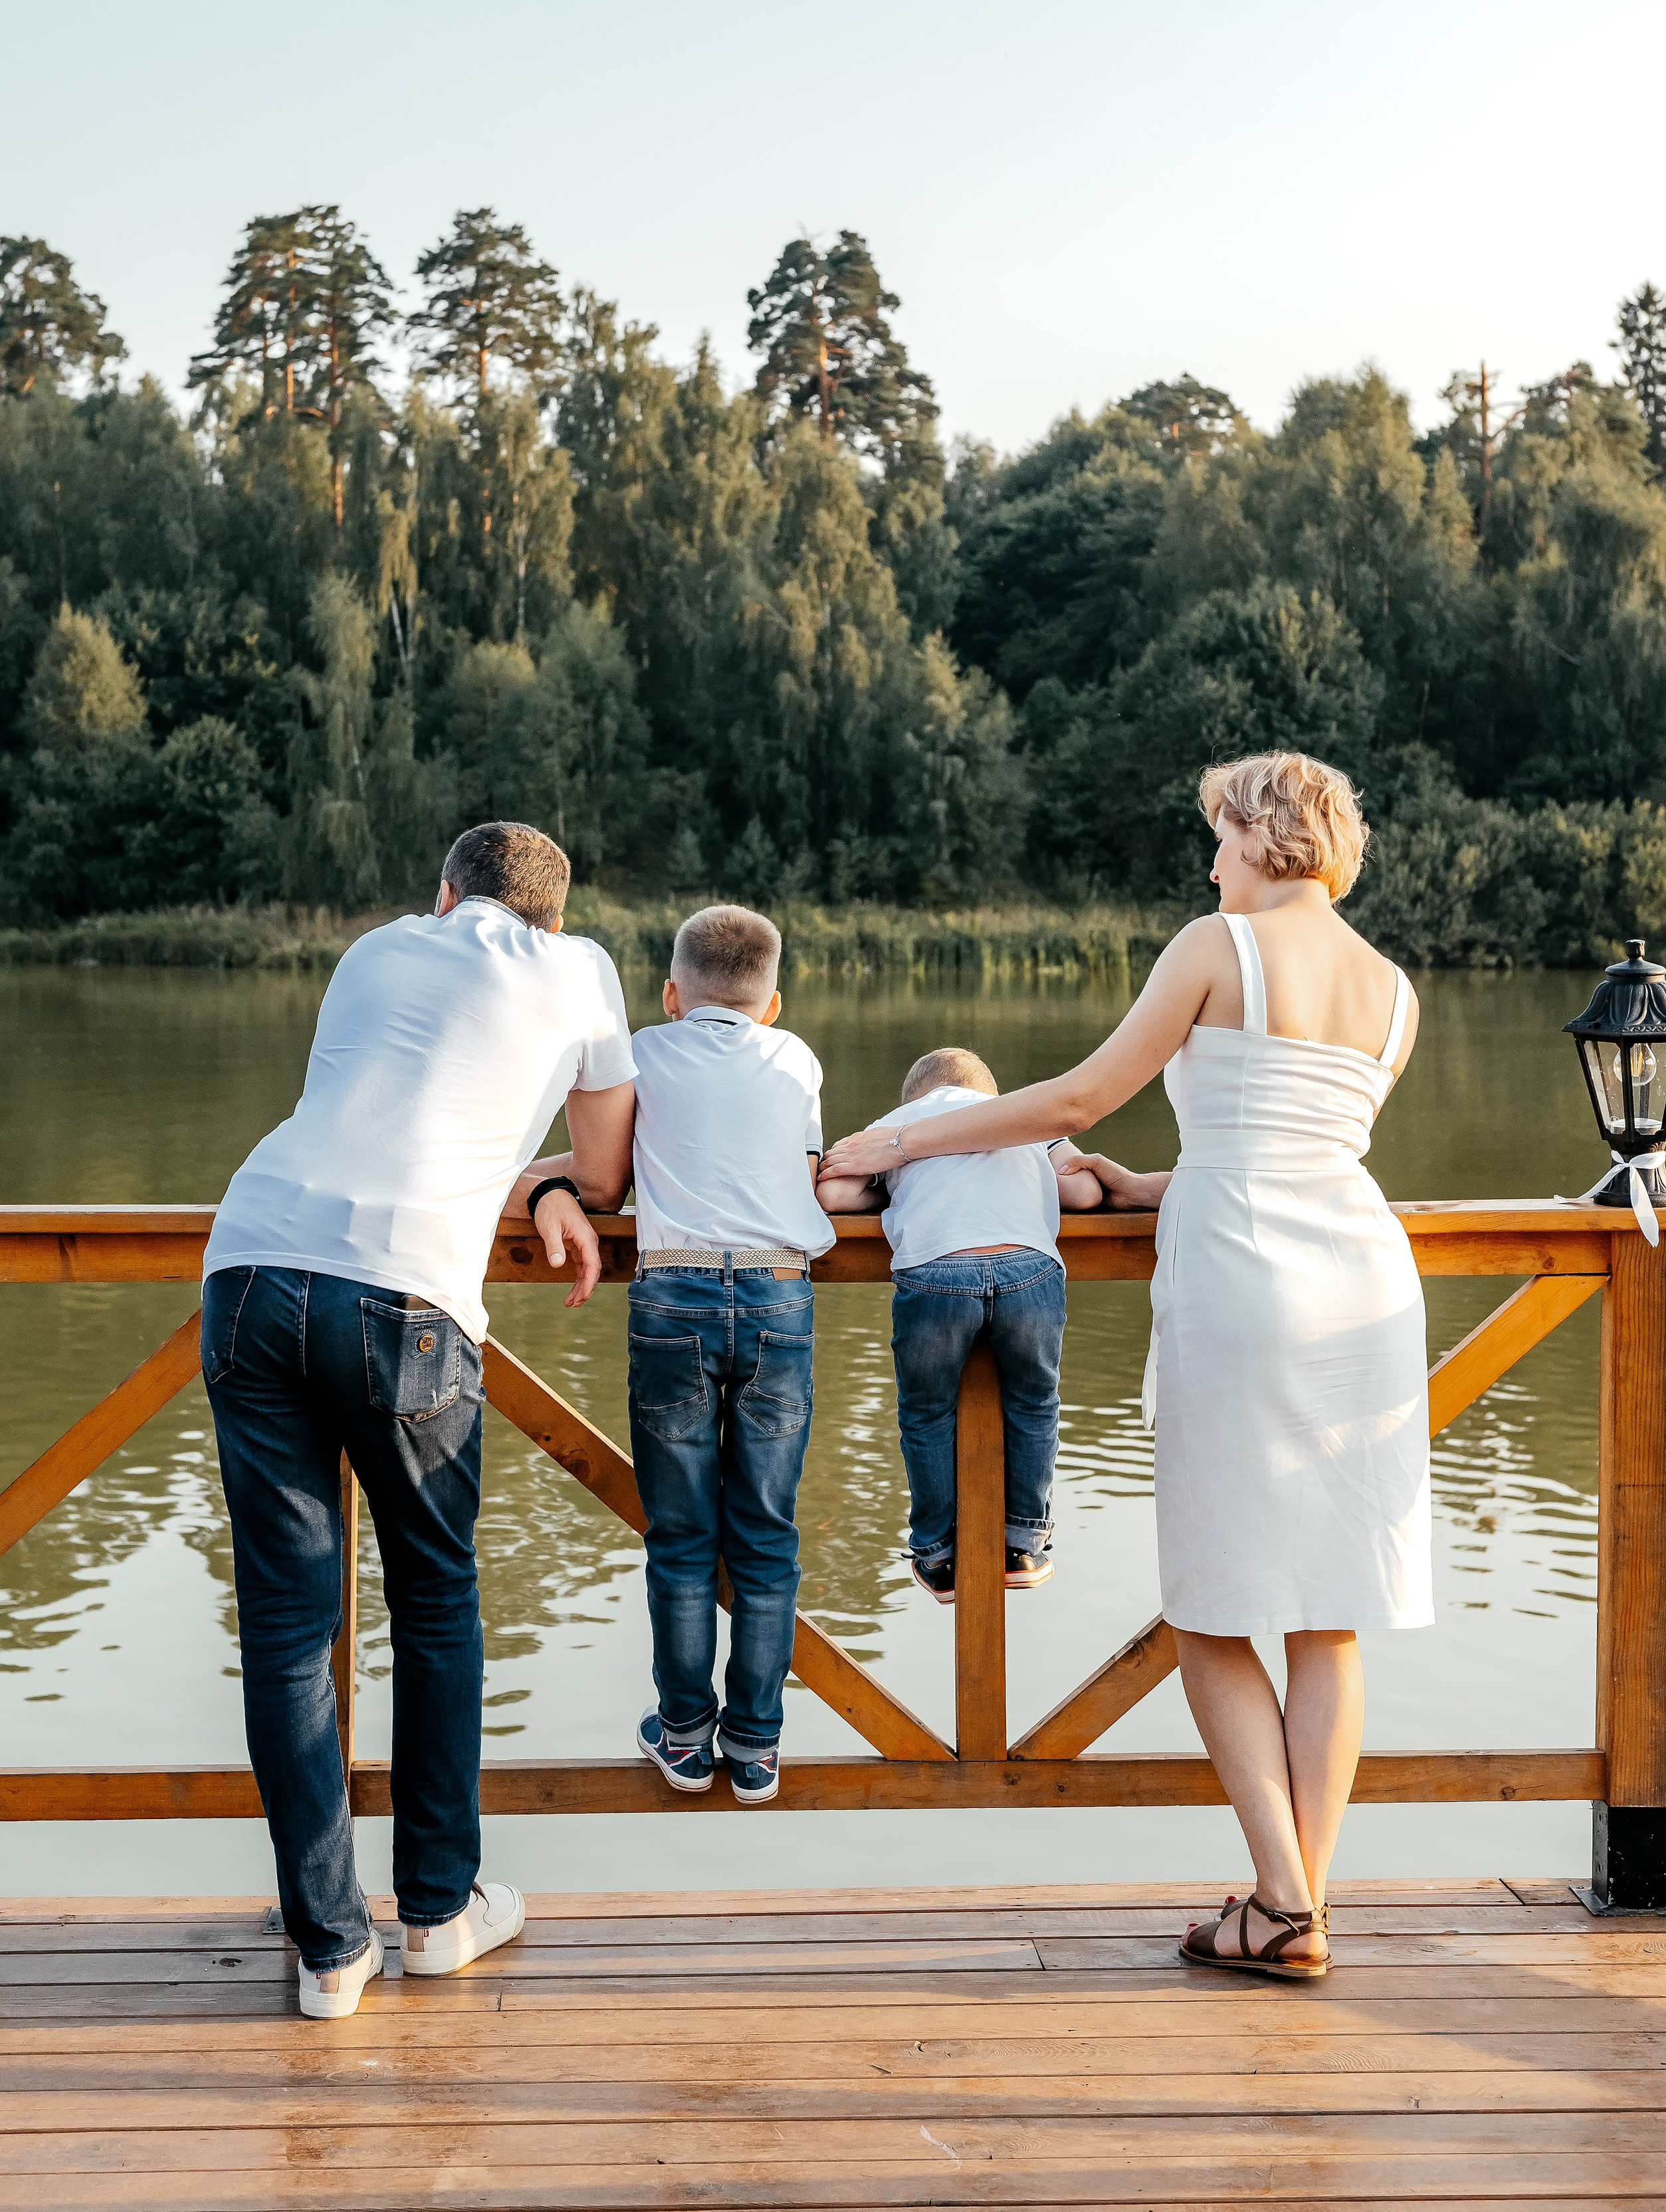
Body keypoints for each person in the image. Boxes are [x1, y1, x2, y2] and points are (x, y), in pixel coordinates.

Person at [820, 751, 1429, 1980]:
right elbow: (1299, 1142)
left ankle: (1283, 1901)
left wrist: (905, 1141)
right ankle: (1295, 1905)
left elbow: (1076, 1099)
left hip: (1246, 1283)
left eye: (1220, 837)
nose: (1211, 864)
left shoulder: (1218, 945)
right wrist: (1148, 1185)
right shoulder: (1396, 989)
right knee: (1328, 1619)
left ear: (1264, 836)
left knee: (1210, 1607)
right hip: (1366, 1283)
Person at [201, 821, 637, 2019]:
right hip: (403, 1296)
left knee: (288, 1626)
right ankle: (440, 1913)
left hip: (249, 1264)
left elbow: (378, 1104)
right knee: (434, 1602)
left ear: (443, 895)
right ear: (554, 916)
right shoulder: (582, 969)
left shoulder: (373, 950)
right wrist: (548, 1187)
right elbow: (604, 1168)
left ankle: (329, 1949)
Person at [621, 905, 835, 1806]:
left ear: (673, 993)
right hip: (779, 1290)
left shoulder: (641, 1051)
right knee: (767, 1534)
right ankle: (754, 1746)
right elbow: (808, 1171)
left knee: (680, 1536)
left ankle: (682, 1735)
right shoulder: (796, 1059)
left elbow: (606, 1171)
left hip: (673, 1292)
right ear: (772, 1003)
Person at [816, 1045, 1104, 1601]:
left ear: (915, 1096)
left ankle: (937, 1553)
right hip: (1028, 1268)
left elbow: (832, 1193)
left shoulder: (896, 1126)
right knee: (1034, 1402)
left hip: (938, 1269)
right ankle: (1024, 1545)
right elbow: (1084, 1193)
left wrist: (887, 1185)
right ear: (989, 1094)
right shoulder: (1026, 1117)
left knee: (927, 1411)